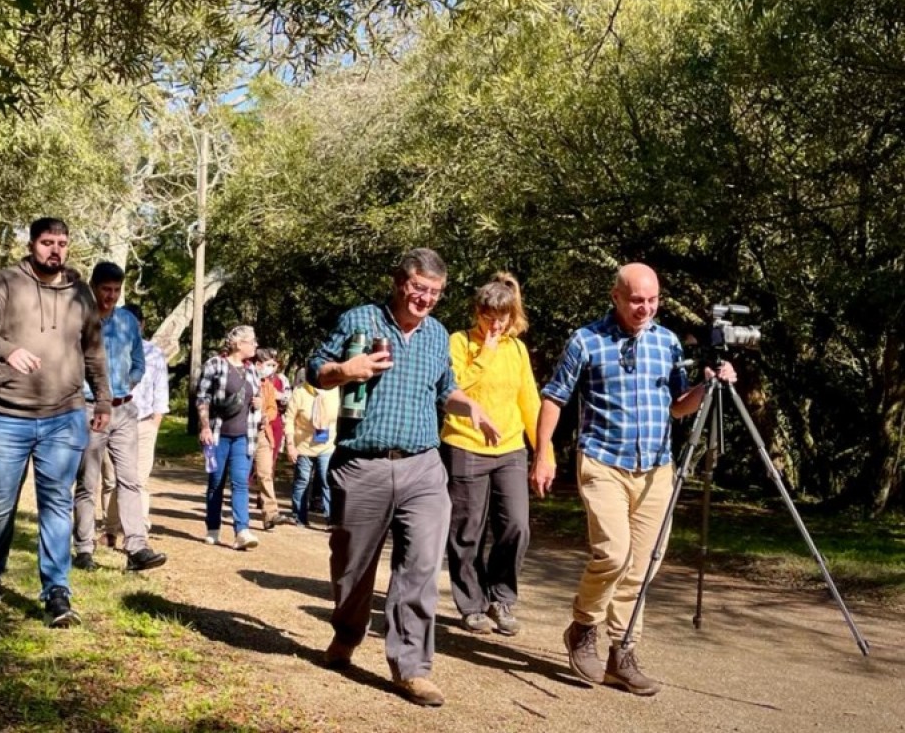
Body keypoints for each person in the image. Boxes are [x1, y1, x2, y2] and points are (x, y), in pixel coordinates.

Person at [531, 262, 737, 696]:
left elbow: (679, 406)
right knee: (613, 553)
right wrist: (543, 452)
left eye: (653, 300)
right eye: (636, 300)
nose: (645, 308)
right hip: (603, 461)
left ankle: (622, 651)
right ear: (616, 297)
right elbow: (554, 396)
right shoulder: (587, 340)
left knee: (644, 564)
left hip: (656, 467)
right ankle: (584, 627)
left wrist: (709, 385)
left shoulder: (667, 342)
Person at [307, 248, 500, 708]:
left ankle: (412, 668)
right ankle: (348, 634)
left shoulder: (436, 335)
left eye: (434, 293)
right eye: (418, 289)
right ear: (399, 283)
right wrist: (344, 371)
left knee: (420, 568)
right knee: (352, 569)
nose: (425, 299)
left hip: (423, 466)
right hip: (362, 464)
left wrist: (468, 406)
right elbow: (315, 369)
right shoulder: (360, 320)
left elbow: (443, 389)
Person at [0, 216, 111, 628]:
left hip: (63, 416)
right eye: (47, 242)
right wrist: (7, 350)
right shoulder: (6, 283)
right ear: (32, 244)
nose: (55, 249)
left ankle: (56, 593)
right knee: (0, 503)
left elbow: (94, 353)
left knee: (56, 503)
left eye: (62, 243)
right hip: (4, 414)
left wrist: (102, 399)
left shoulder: (81, 294)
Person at [442, 272, 550, 637]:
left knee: (516, 525)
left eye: (503, 317)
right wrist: (485, 353)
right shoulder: (458, 342)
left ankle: (501, 598)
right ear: (478, 312)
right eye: (489, 315)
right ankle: (471, 604)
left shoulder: (517, 349)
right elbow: (453, 388)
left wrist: (543, 452)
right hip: (465, 445)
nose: (496, 324)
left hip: (510, 449)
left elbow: (529, 401)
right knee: (467, 531)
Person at [72, 262, 166, 573]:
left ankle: (137, 546)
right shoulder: (80, 320)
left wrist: (131, 381)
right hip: (89, 410)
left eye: (116, 290)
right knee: (88, 481)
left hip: (125, 410)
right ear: (93, 287)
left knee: (130, 480)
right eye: (105, 289)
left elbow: (139, 360)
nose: (111, 296)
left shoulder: (127, 321)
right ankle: (84, 548)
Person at [195, 325, 262, 549]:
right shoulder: (215, 364)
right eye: (252, 341)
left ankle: (242, 530)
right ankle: (213, 527)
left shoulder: (252, 370)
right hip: (218, 434)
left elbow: (257, 398)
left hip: (245, 435)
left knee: (240, 482)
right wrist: (204, 427)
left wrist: (259, 404)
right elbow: (202, 398)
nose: (255, 345)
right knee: (215, 482)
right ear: (238, 344)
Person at [115, 302, 169, 536]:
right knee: (113, 479)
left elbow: (161, 390)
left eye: (134, 324)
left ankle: (139, 525)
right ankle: (111, 526)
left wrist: (155, 421)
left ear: (142, 325)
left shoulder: (154, 353)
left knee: (139, 478)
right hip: (116, 419)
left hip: (145, 422)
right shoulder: (110, 348)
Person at [285, 371, 339, 528]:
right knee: (302, 480)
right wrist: (290, 445)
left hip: (327, 444)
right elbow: (289, 419)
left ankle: (331, 520)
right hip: (303, 445)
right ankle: (299, 517)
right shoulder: (300, 392)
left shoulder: (335, 390)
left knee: (326, 479)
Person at [251, 347, 291, 531]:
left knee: (266, 472)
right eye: (268, 364)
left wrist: (267, 415)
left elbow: (272, 407)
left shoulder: (267, 383)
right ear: (258, 364)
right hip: (242, 432)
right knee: (239, 476)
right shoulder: (247, 379)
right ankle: (235, 516)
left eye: (273, 365)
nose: (272, 368)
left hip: (262, 433)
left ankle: (270, 514)